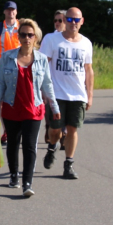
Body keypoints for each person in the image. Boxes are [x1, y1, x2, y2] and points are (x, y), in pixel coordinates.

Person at [0, 18, 59, 198]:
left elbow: (48, 84)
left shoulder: (42, 59)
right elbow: (1, 85)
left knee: (29, 146)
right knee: (13, 143)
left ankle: (27, 183)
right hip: (12, 107)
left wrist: (54, 105)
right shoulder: (8, 56)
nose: (27, 38)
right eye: (23, 35)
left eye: (30, 35)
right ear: (18, 37)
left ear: (35, 37)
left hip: (33, 109)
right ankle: (14, 174)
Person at [39, 7, 94, 180]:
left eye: (76, 20)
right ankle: (51, 148)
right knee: (55, 130)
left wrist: (89, 95)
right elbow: (41, 65)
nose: (73, 23)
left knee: (72, 129)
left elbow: (88, 70)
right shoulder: (51, 40)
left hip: (77, 95)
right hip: (56, 94)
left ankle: (68, 164)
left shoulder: (86, 43)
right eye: (69, 20)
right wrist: (41, 89)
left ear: (82, 21)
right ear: (64, 20)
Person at [0, 1, 20, 144]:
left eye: (13, 10)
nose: (10, 12)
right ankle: (7, 130)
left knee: (17, 100)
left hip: (18, 68)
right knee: (2, 101)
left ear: (16, 12)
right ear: (4, 12)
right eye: (8, 10)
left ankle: (16, 128)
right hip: (0, 69)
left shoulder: (22, 27)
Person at [44, 9, 68, 144]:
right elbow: (43, 61)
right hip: (51, 84)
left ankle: (64, 134)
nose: (58, 23)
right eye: (56, 20)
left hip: (66, 84)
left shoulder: (72, 40)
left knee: (65, 113)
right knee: (51, 112)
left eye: (61, 20)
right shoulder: (49, 38)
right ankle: (49, 127)